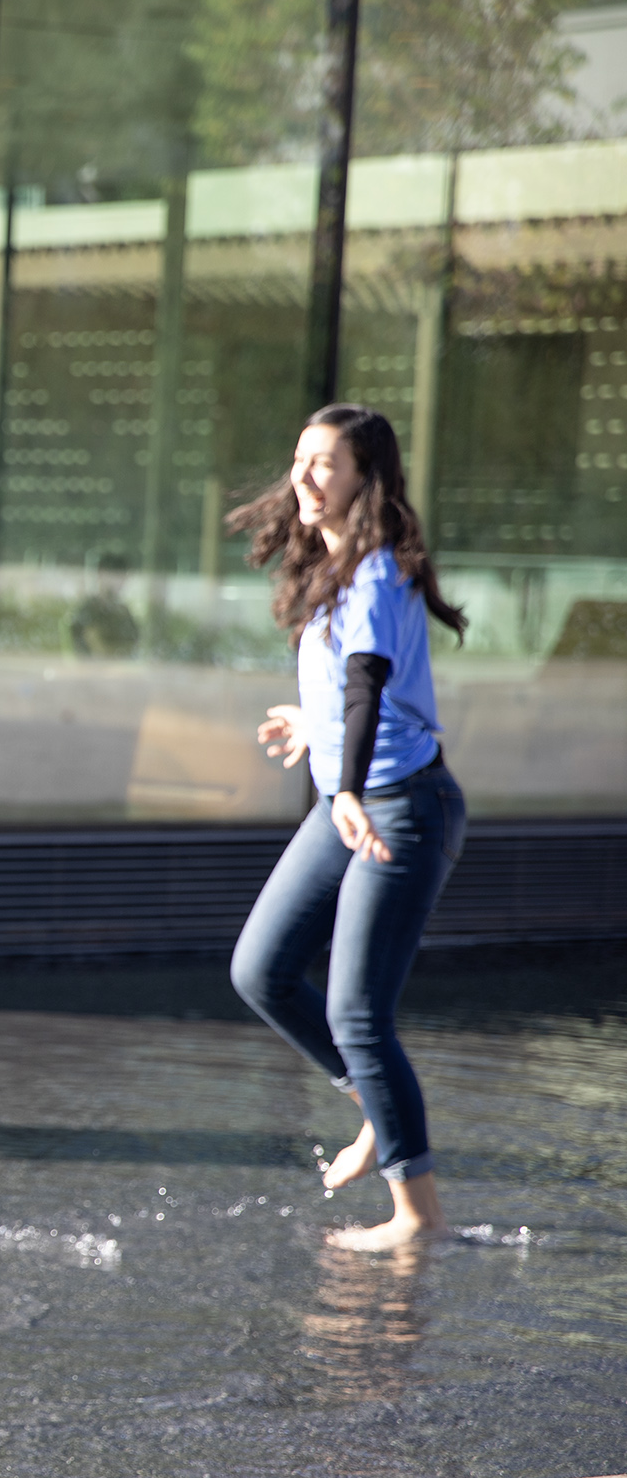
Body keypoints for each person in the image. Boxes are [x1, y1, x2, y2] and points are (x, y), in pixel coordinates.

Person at [226, 404, 468, 1253]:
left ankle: (417, 1217)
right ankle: (373, 1100)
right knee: (260, 968)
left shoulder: (373, 571)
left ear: (366, 478)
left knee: (357, 1010)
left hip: (396, 802)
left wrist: (349, 782)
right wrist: (313, 725)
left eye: (325, 463)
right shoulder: (336, 570)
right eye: (299, 459)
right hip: (355, 795)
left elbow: (368, 679)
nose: (303, 476)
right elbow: (355, 692)